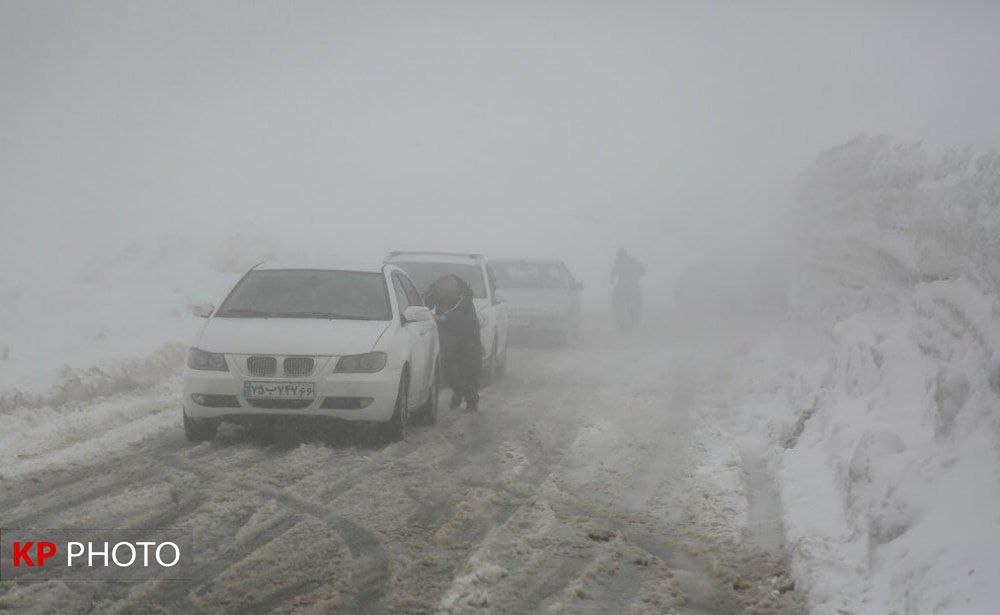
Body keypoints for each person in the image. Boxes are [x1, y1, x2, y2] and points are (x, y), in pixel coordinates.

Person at [426, 274, 483, 411]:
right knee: (449, 370)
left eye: (446, 291)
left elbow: (463, 321)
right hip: (448, 339)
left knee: (468, 371)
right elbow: (424, 304)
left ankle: (471, 401)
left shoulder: (465, 300)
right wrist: (429, 295)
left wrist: (442, 318)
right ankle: (458, 391)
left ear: (455, 289)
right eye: (441, 291)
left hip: (469, 340)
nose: (443, 294)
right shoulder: (438, 294)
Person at [610, 248, 645, 331]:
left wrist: (612, 280)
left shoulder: (620, 262)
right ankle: (634, 322)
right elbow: (643, 272)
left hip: (623, 287)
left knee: (618, 304)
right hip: (632, 286)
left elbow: (612, 274)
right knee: (635, 305)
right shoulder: (633, 261)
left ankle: (626, 323)